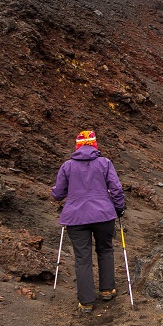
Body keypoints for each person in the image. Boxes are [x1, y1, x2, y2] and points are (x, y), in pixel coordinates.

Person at [50, 130, 125, 313]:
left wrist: (58, 193)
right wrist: (119, 208)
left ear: (77, 146)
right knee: (105, 249)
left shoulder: (67, 166)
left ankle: (86, 301)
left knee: (82, 258)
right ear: (94, 145)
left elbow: (58, 194)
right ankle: (107, 289)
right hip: (103, 215)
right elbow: (116, 188)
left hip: (76, 218)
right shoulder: (105, 163)